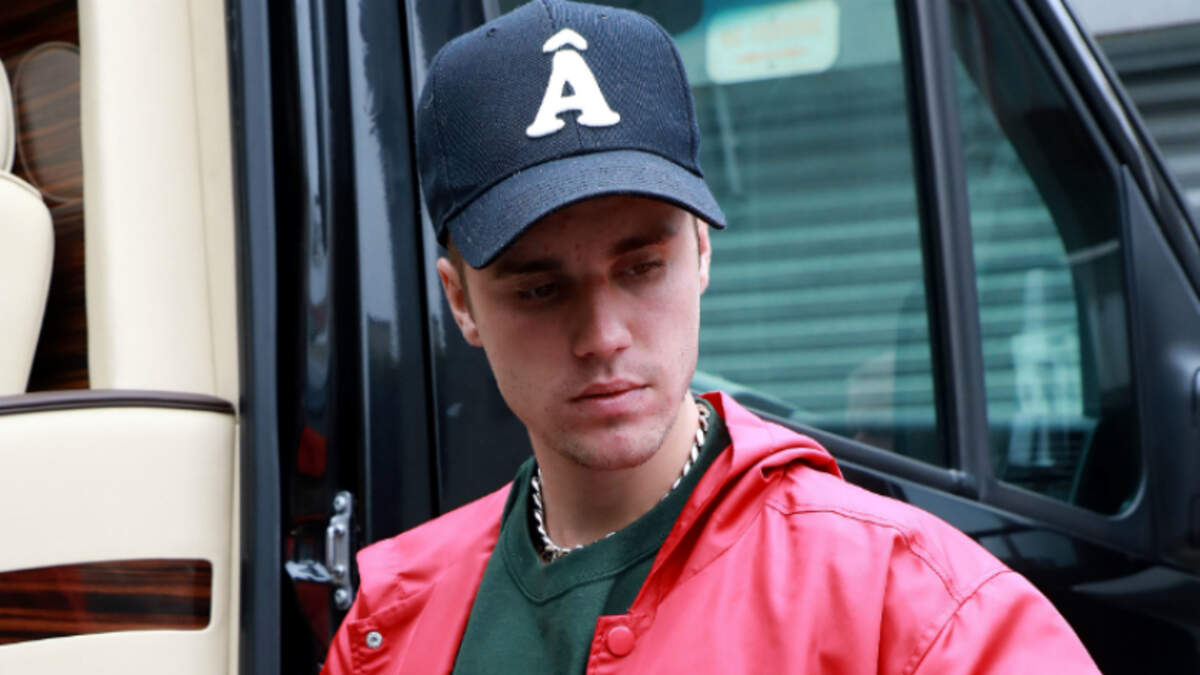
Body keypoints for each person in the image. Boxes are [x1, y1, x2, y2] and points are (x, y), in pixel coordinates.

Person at [322, 1, 1100, 672]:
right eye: (540, 289)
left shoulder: (916, 610)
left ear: (701, 252)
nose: (603, 335)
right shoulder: (393, 623)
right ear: (460, 301)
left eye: (641, 268)